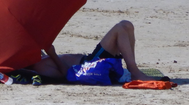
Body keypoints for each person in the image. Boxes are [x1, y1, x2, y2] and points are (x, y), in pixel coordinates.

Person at [29, 21, 157, 82]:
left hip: (90, 60)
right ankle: (134, 71)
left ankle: (132, 69)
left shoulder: (40, 59)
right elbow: (64, 75)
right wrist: (52, 54)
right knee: (120, 28)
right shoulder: (39, 68)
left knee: (127, 25)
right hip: (92, 65)